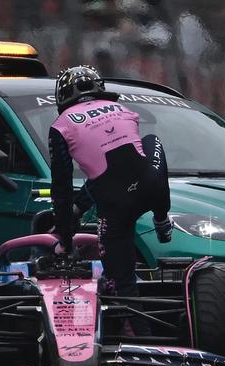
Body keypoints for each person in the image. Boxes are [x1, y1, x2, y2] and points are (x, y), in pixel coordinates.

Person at [49, 65, 172, 335]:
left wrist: (65, 237)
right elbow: (123, 163)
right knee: (150, 141)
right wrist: (81, 205)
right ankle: (162, 219)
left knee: (126, 287)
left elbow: (61, 187)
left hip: (114, 206)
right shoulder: (125, 111)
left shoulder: (60, 125)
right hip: (151, 189)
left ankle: (147, 354)